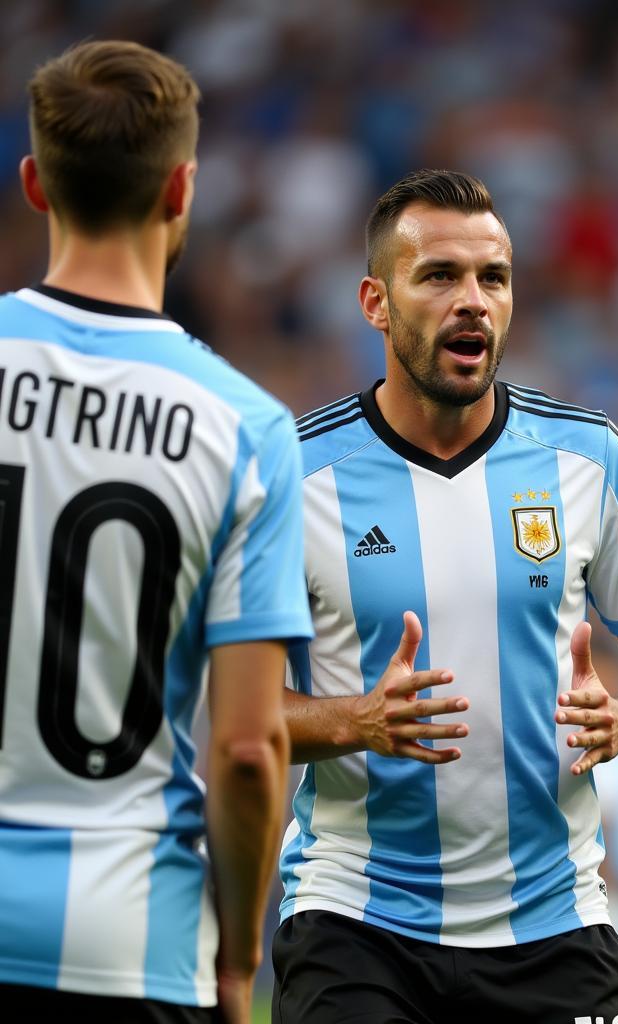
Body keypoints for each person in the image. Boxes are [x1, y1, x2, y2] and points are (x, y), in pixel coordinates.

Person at [273, 167, 618, 1024]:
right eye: (439, 276)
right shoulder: (294, 477)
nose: (472, 300)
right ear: (376, 301)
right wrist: (354, 722)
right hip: (357, 921)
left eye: (493, 278)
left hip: (555, 928)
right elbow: (227, 709)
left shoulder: (588, 462)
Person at [0, 40, 311, 1024]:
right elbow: (250, 747)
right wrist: (242, 953)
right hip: (127, 945)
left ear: (33, 182)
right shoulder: (247, 428)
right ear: (183, 188)